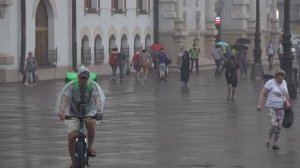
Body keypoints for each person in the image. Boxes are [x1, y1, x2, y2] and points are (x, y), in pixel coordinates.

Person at [56, 65, 105, 168]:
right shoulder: (72, 86)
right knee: (71, 136)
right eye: (81, 78)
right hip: (73, 112)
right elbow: (65, 98)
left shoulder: (92, 86)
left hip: (89, 111)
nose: (83, 80)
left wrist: (99, 111)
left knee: (91, 123)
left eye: (85, 78)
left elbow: (97, 98)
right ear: (78, 77)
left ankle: (90, 147)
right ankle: (74, 162)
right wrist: (62, 110)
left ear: (88, 78)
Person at [257, 69, 290, 150]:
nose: (280, 80)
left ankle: (275, 143)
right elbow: (263, 93)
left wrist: (288, 101)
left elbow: (286, 93)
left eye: (282, 79)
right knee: (274, 123)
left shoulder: (284, 82)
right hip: (271, 107)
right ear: (275, 78)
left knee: (279, 126)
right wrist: (260, 105)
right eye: (279, 79)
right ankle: (269, 139)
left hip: (281, 107)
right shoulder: (270, 83)